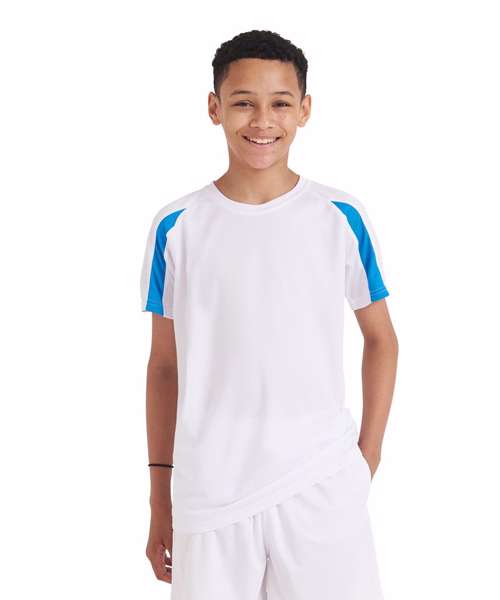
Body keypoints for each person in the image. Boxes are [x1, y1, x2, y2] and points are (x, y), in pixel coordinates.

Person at [140, 29, 398, 600]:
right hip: (210, 494)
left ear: (304, 110)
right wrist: (161, 499)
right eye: (243, 102)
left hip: (321, 484)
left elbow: (381, 339)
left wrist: (366, 460)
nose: (262, 120)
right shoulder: (177, 227)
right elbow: (164, 367)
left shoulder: (339, 217)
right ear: (214, 108)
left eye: (280, 103)